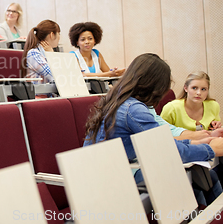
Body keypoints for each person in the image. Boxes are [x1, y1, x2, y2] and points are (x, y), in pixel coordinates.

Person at [84, 53, 223, 205]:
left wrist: (195, 142)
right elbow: (165, 149)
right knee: (194, 182)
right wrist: (210, 149)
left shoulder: (120, 99)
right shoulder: (133, 109)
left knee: (205, 179)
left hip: (111, 173)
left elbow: (162, 140)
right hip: (113, 182)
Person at [20, 20, 60, 85]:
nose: (59, 37)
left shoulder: (46, 52)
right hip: (39, 94)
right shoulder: (34, 53)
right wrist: (51, 54)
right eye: (59, 33)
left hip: (52, 94)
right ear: (52, 35)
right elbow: (57, 76)